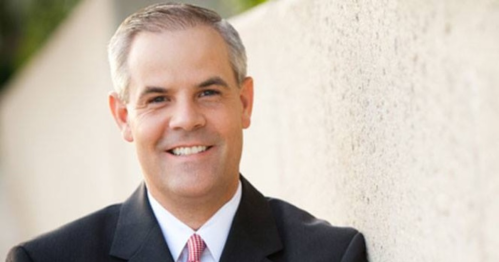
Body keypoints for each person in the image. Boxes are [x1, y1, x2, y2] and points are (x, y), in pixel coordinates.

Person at [6, 3, 367, 262]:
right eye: (158, 98)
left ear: (244, 103)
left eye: (207, 93)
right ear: (123, 118)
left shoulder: (330, 254)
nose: (186, 119)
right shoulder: (45, 259)